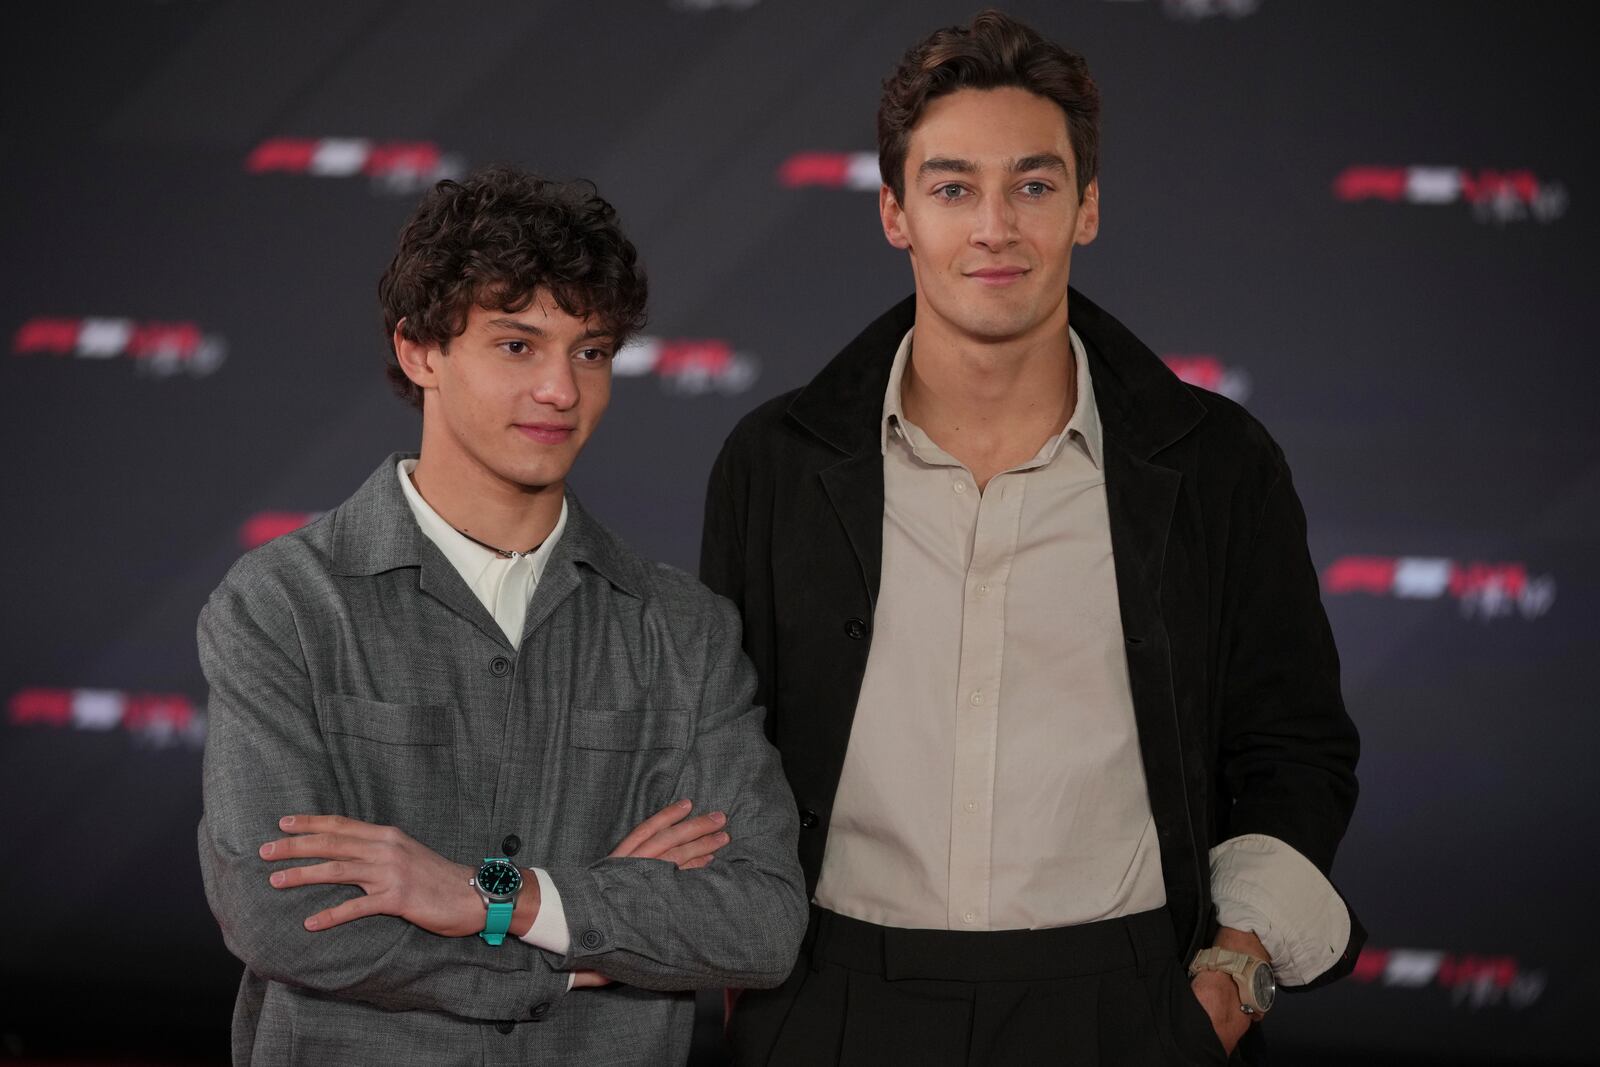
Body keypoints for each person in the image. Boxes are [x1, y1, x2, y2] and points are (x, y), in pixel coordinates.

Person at [701, 11, 1363, 1065]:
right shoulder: (774, 462)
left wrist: (1228, 979)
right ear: (894, 212)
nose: (994, 226)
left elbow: (1293, 746)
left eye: (1035, 184)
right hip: (829, 1004)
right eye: (953, 186)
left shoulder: (1217, 464)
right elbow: (718, 751)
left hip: (1124, 1005)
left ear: (1086, 208)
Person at [198, 165, 807, 1066]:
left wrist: (496, 894)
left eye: (591, 351)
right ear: (420, 351)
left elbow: (759, 920)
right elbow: (284, 915)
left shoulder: (682, 628)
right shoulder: (282, 605)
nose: (563, 389)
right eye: (518, 345)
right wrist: (580, 947)